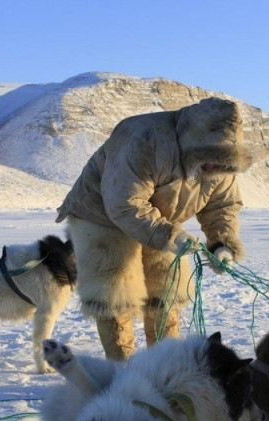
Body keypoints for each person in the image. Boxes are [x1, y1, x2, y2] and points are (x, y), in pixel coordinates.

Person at [55, 97, 253, 359]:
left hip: (162, 218)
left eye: (220, 160)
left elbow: (222, 206)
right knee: (116, 294)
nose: (211, 167)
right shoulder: (142, 139)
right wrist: (169, 235)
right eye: (207, 157)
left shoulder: (220, 164)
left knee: (167, 292)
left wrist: (222, 244)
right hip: (100, 215)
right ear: (191, 143)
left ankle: (163, 366)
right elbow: (124, 204)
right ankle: (123, 372)